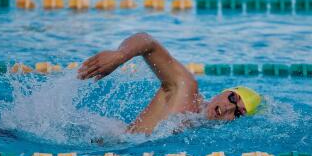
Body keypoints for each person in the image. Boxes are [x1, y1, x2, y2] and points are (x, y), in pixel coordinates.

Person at [78, 33, 261, 134]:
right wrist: (120, 56)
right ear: (224, 92)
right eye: (232, 98)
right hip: (106, 143)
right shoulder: (187, 90)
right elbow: (148, 42)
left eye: (238, 113)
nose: (228, 108)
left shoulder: (200, 127)